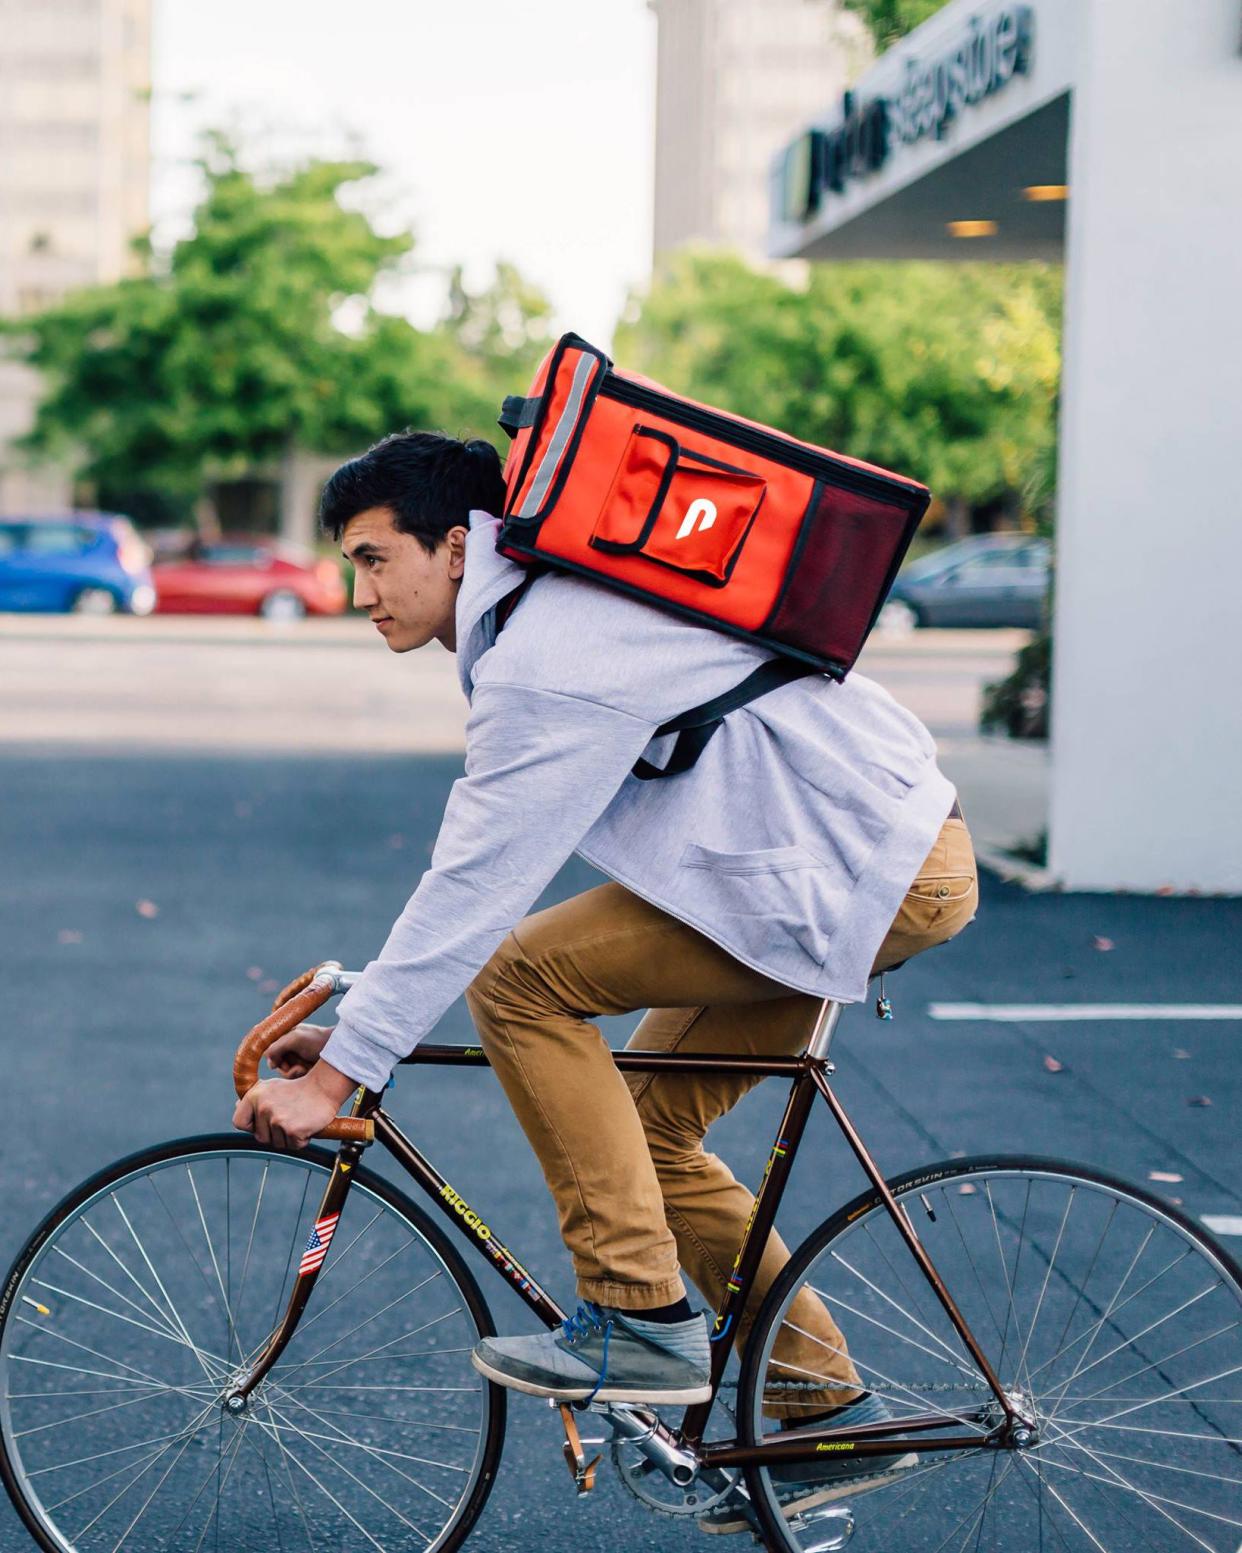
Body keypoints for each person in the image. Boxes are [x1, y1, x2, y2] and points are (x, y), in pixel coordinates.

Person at [233, 429, 978, 1522]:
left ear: (454, 545)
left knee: (520, 978)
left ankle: (638, 1320)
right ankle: (822, 1397)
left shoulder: (548, 651)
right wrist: (360, 1015)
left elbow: (475, 886)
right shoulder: (547, 617)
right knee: (647, 1128)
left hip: (863, 866)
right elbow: (476, 869)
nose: (359, 591)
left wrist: (338, 1074)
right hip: (835, 857)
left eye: (371, 556)